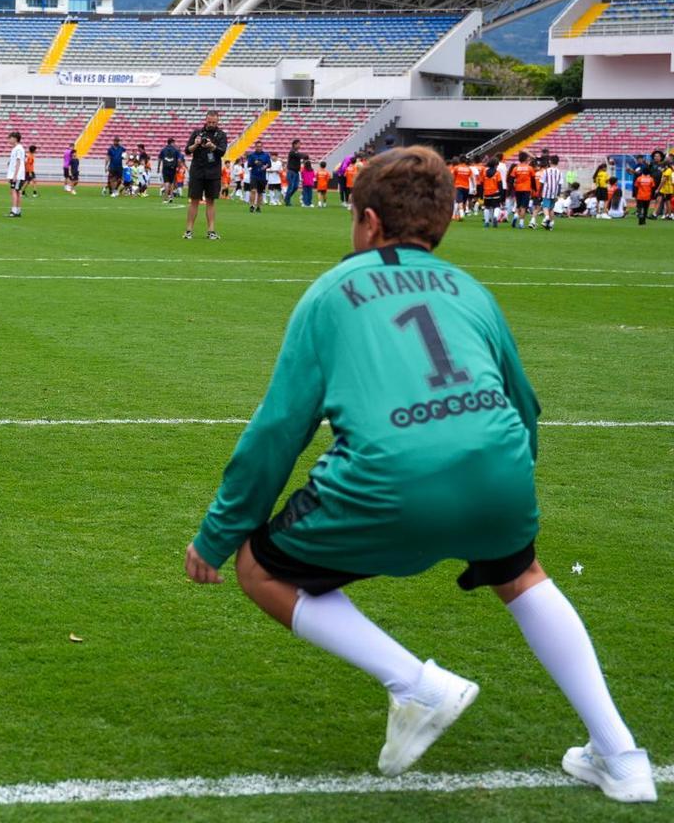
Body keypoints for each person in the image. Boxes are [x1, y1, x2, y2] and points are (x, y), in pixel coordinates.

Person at [184, 145, 655, 804]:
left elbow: (278, 431)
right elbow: (523, 404)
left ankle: (417, 684)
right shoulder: (471, 290)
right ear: (447, 223)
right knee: (520, 572)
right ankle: (624, 758)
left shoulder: (331, 292)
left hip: (390, 477)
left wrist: (217, 533)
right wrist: (505, 491)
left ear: (369, 222)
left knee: (258, 567)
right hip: (498, 468)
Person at [183, 109, 227, 240]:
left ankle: (211, 231)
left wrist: (212, 146)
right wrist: (196, 144)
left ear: (218, 121)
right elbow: (187, 150)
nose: (211, 124)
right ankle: (189, 230)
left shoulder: (221, 135)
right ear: (206, 120)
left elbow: (222, 152)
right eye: (209, 121)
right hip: (197, 171)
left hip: (213, 172)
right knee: (194, 200)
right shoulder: (197, 133)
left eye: (214, 122)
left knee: (211, 201)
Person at [246, 141, 272, 213]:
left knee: (260, 192)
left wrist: (265, 166)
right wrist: (254, 163)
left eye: (260, 146)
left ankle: (258, 207)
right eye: (257, 146)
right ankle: (252, 205)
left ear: (262, 147)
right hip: (254, 175)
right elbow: (249, 165)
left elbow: (269, 164)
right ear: (255, 147)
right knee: (253, 190)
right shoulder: (252, 155)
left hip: (262, 176)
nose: (259, 148)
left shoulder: (266, 155)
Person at [538, 156, 563, 230]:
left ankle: (546, 217)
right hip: (555, 192)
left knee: (545, 207)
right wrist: (558, 194)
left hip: (547, 191)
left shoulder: (546, 171)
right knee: (551, 209)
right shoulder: (559, 172)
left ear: (550, 161)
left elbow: (542, 182)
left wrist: (540, 192)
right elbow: (560, 184)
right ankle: (551, 223)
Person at [6, 130, 26, 218]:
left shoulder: (18, 149)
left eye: (10, 138)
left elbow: (18, 162)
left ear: (15, 139)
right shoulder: (16, 149)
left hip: (17, 175)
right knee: (17, 192)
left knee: (14, 191)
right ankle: (17, 211)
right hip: (16, 174)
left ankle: (14, 211)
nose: (8, 140)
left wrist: (14, 175)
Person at [159, 136, 181, 203]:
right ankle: (171, 197)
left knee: (166, 182)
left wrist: (158, 167)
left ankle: (165, 198)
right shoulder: (176, 150)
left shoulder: (163, 149)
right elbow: (179, 160)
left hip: (165, 167)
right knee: (171, 182)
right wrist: (178, 167)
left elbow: (160, 159)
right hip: (173, 168)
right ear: (172, 142)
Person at [285, 139, 304, 205]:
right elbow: (300, 156)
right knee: (291, 186)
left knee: (295, 187)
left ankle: (287, 198)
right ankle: (287, 201)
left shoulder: (296, 152)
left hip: (296, 172)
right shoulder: (292, 152)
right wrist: (306, 156)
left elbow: (300, 155)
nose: (299, 145)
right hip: (291, 172)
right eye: (298, 144)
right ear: (294, 144)